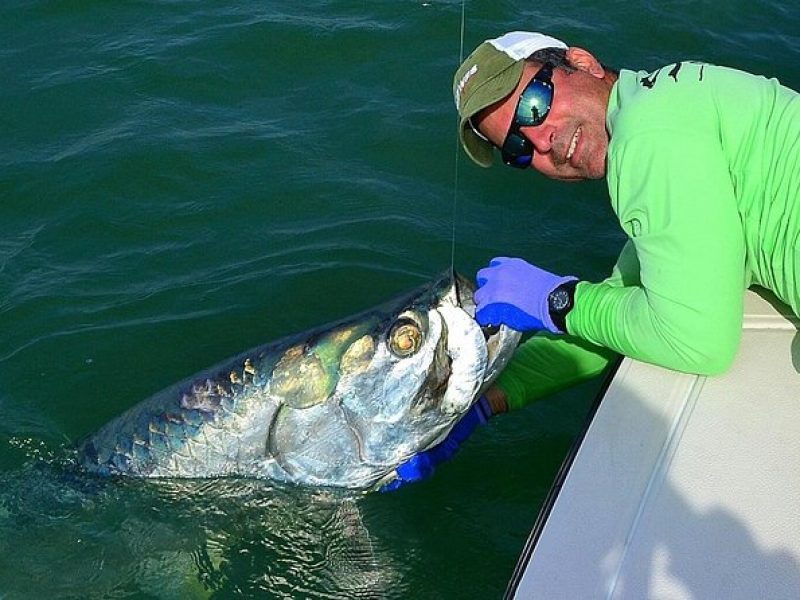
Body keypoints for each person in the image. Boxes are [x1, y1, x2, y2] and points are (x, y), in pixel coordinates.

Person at [383, 30, 800, 491]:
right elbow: (617, 312)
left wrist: (555, 299)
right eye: (519, 148)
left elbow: (697, 340)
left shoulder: (648, 140)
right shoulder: (660, 105)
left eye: (534, 105)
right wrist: (483, 402)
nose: (544, 141)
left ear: (581, 63)